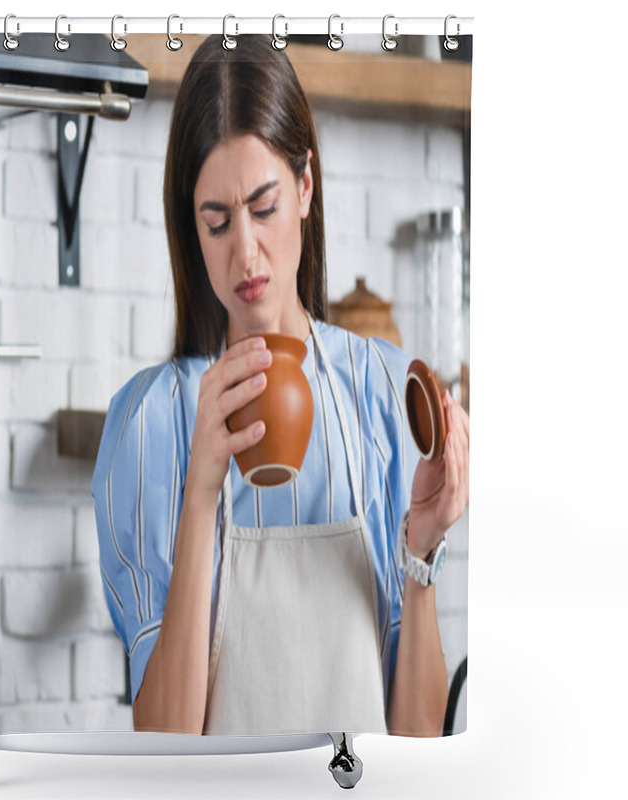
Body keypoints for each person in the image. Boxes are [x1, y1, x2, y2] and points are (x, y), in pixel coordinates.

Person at [91, 34, 469, 738]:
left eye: (263, 208)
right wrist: (201, 490)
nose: (246, 253)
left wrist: (421, 550)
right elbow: (164, 747)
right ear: (189, 228)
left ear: (305, 187)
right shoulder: (151, 423)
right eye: (217, 222)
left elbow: (418, 749)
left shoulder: (382, 394)